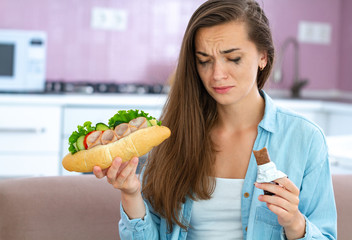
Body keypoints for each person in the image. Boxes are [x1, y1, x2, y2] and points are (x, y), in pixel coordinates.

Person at [93, 0, 337, 239]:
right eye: (204, 61)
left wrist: (295, 223)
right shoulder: (174, 134)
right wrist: (131, 194)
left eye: (233, 58)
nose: (217, 74)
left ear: (263, 57)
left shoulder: (304, 138)